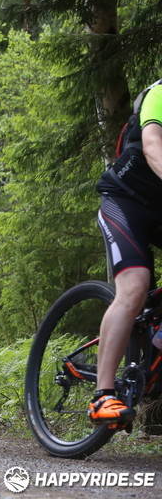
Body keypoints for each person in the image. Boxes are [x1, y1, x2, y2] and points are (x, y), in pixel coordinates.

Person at [93, 79, 162, 425]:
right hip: (125, 201)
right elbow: (152, 148)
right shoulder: (160, 94)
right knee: (134, 288)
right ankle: (103, 395)